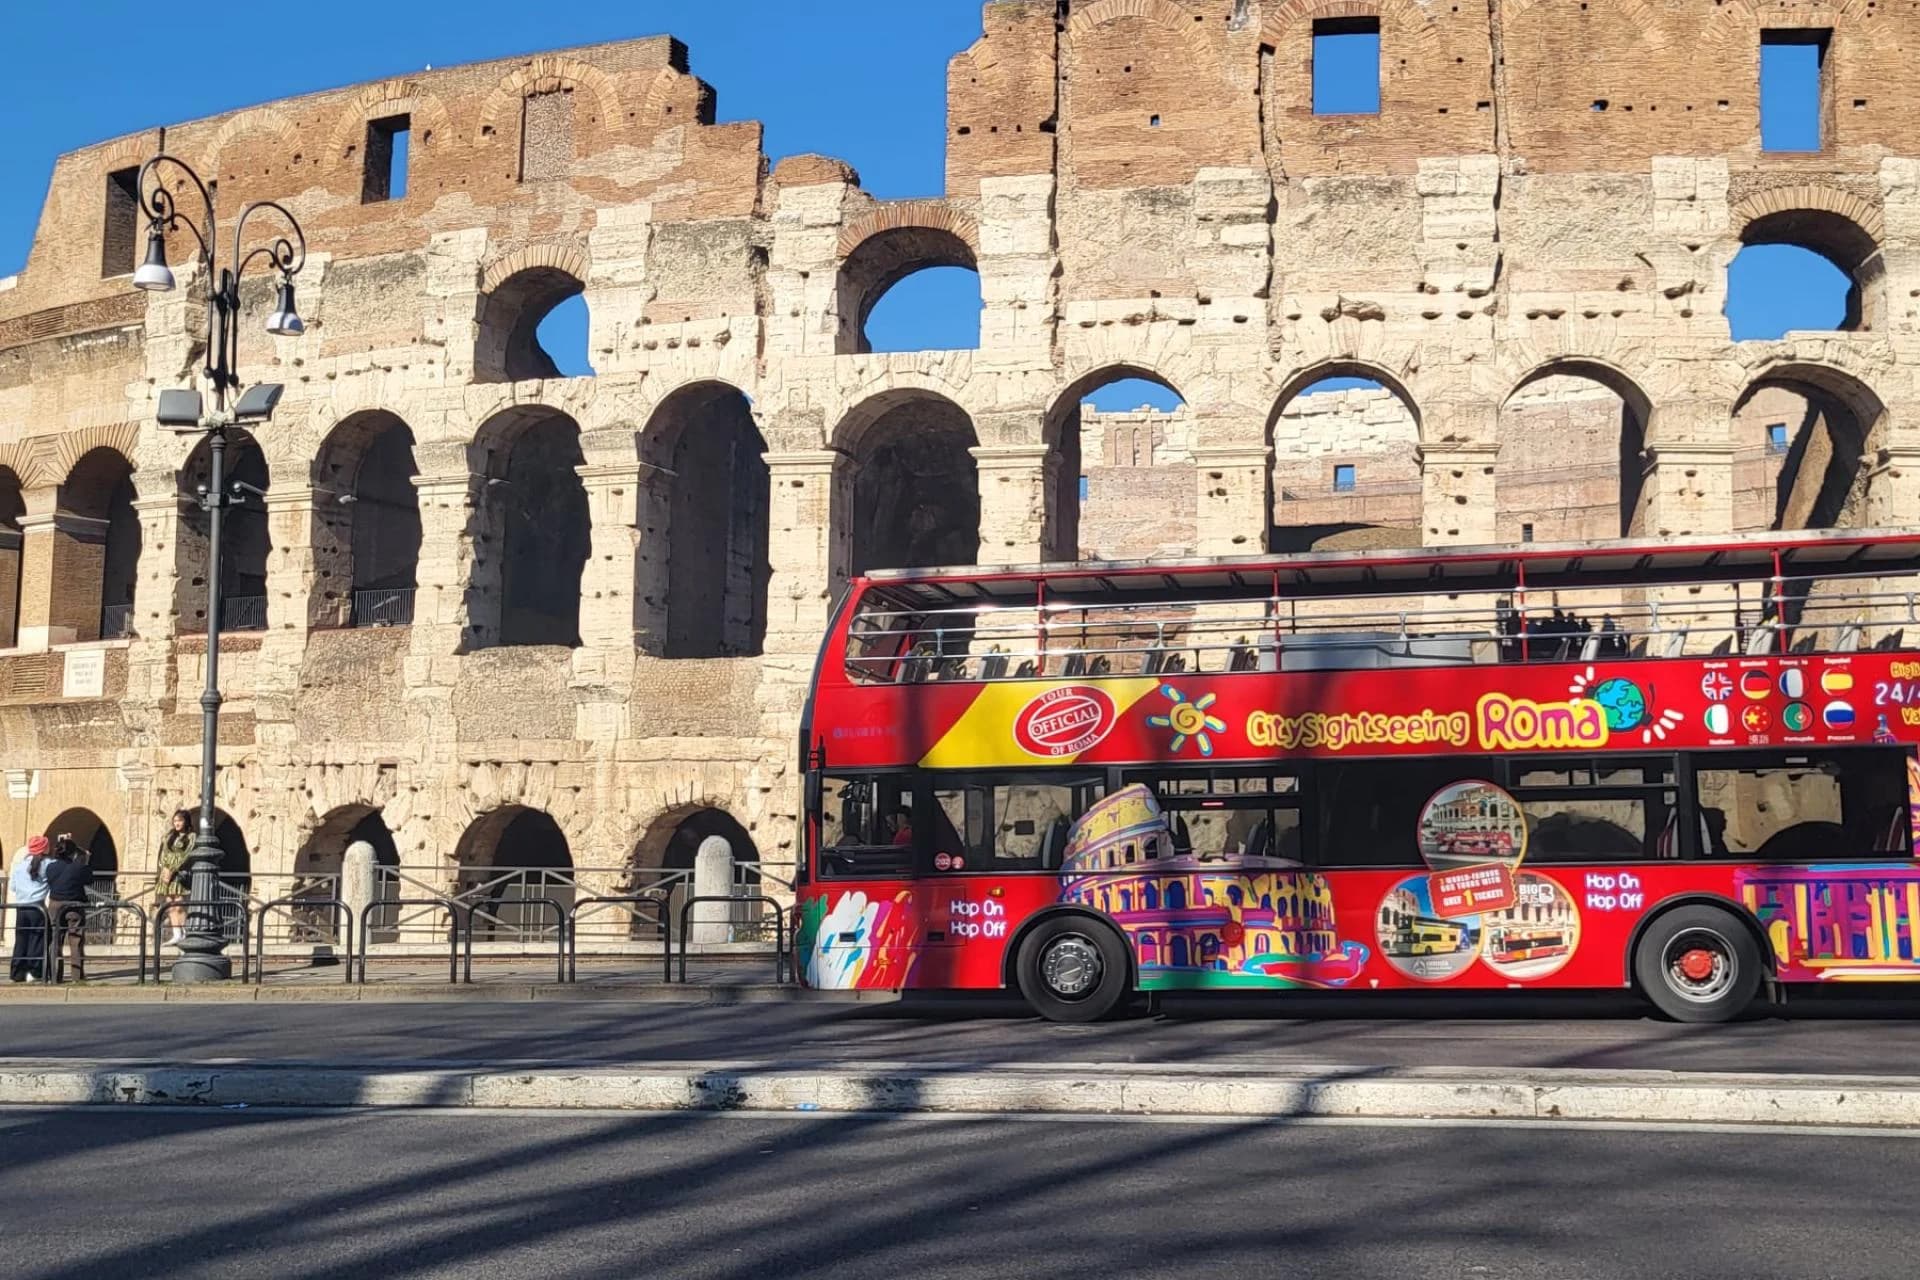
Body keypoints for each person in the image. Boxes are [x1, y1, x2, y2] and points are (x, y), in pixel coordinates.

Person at [39, 833, 93, 983]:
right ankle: (77, 976)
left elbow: (50, 881)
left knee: (55, 941)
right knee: (76, 941)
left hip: (55, 905)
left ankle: (55, 976)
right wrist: (85, 860)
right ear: (73, 853)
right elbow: (89, 879)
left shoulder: (50, 867)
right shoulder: (78, 867)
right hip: (74, 905)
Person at [7, 835, 49, 983]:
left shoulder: (19, 866)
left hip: (21, 907)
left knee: (21, 939)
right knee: (36, 939)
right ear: (44, 849)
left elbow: (12, 887)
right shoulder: (47, 864)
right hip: (38, 907)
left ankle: (17, 972)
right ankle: (34, 971)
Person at [156, 809, 194, 947]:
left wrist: (174, 869)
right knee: (170, 905)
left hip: (179, 872)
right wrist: (164, 867)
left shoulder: (191, 836)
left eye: (180, 820)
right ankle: (176, 934)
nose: (177, 823)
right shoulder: (170, 835)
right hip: (167, 872)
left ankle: (185, 932)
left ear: (186, 822)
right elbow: (164, 851)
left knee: (179, 905)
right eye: (175, 820)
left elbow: (188, 854)